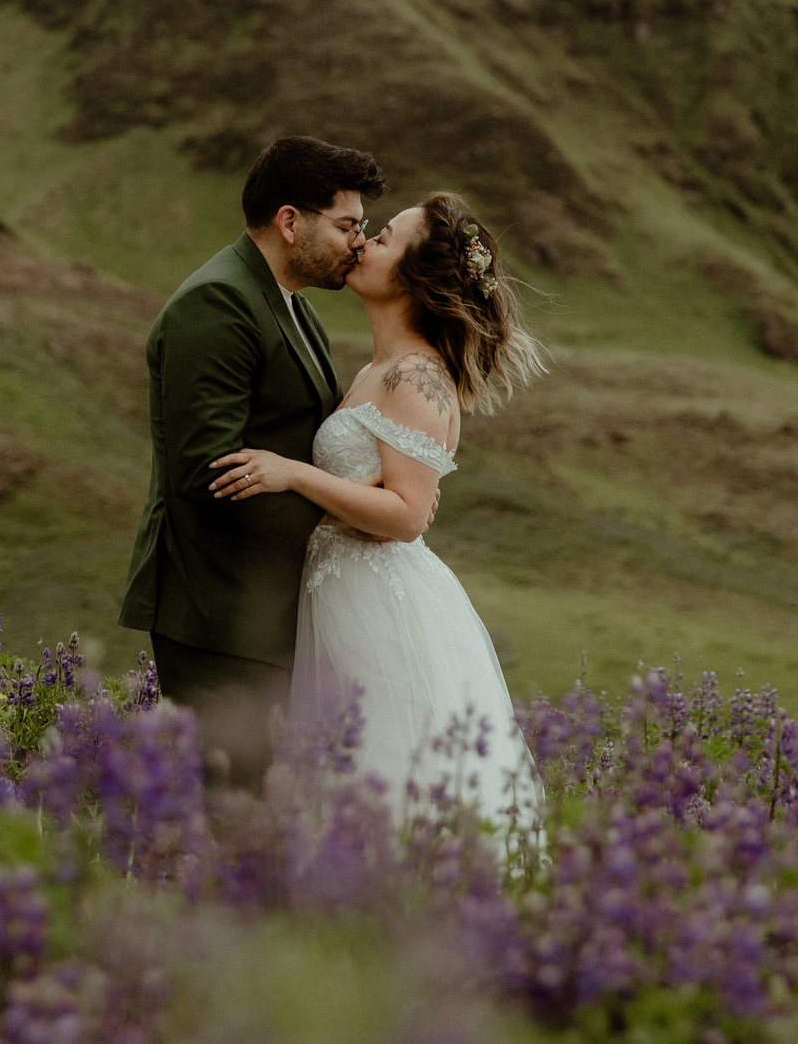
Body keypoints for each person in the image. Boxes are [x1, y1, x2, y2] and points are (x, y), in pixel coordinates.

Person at [208, 192, 547, 823]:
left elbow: (408, 515)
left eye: (384, 237)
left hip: (376, 604)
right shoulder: (380, 370)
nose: (364, 242)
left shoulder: (418, 376)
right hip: (339, 592)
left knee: (379, 774)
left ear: (414, 277)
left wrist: (294, 474)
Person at [118, 135, 384, 788]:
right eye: (346, 225)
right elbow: (208, 473)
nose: (358, 243)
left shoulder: (295, 307)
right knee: (229, 809)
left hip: (269, 607)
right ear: (290, 221)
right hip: (217, 610)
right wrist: (343, 522)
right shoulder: (217, 303)